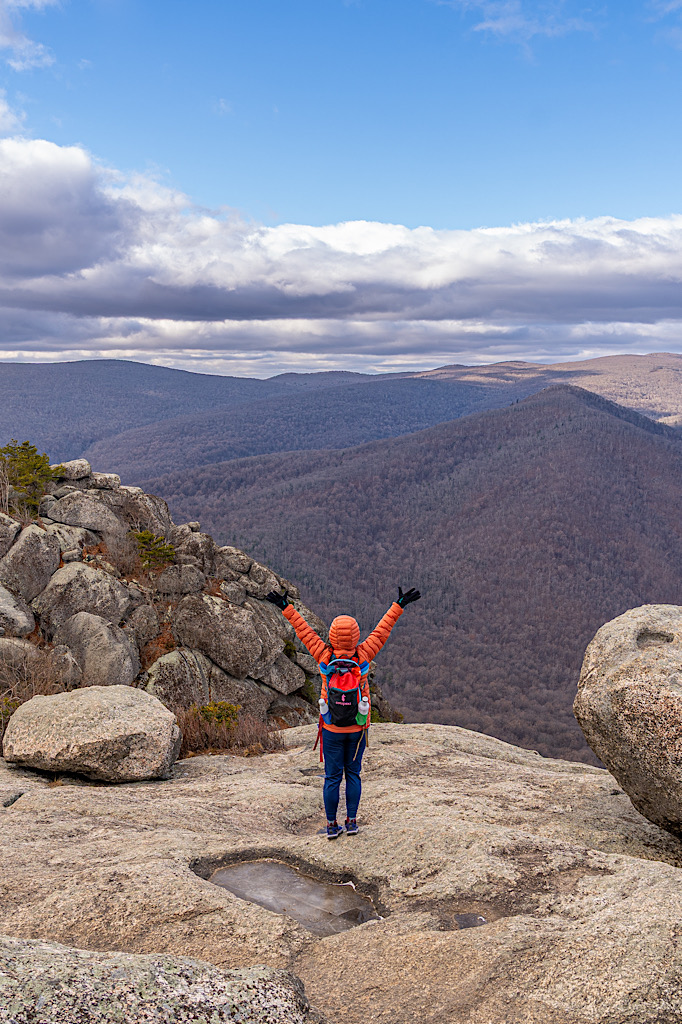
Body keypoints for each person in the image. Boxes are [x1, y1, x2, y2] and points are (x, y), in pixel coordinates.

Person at [266, 586, 421, 839]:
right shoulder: (364, 653)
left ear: (332, 636)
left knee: (332, 777)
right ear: (357, 635)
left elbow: (304, 632)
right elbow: (382, 631)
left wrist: (286, 607)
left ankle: (330, 825)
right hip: (358, 728)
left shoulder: (324, 655)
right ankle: (351, 822)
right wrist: (399, 604)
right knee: (353, 774)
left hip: (331, 728)